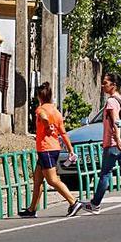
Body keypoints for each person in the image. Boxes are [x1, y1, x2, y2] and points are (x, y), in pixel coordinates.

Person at [18, 83, 83, 218]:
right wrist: (70, 150)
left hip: (45, 149)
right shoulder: (57, 112)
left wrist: (47, 125)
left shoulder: (41, 109)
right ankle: (32, 209)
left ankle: (73, 202)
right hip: (54, 148)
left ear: (39, 97)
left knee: (52, 180)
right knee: (37, 179)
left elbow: (43, 117)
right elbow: (63, 133)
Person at [83, 73, 121, 215]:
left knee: (105, 174)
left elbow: (116, 121)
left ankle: (95, 204)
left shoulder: (111, 102)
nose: (103, 86)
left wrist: (117, 138)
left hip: (114, 144)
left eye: (105, 83)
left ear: (113, 85)